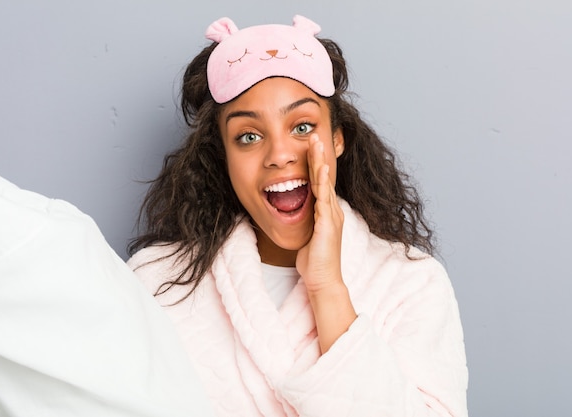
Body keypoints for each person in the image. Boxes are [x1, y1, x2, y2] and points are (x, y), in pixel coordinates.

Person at [127, 15, 468, 417]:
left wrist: (327, 288)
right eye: (248, 137)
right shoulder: (158, 283)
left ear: (337, 139)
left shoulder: (411, 283)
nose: (279, 155)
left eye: (303, 126)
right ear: (223, 157)